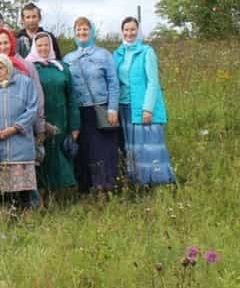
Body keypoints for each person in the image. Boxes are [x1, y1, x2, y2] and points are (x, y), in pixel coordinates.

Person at [112, 17, 176, 187]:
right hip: (124, 107)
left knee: (149, 146)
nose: (129, 33)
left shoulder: (147, 52)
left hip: (142, 107)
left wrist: (148, 109)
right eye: (126, 29)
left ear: (138, 31)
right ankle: (138, 182)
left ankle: (158, 182)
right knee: (132, 147)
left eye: (133, 29)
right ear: (122, 31)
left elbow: (153, 82)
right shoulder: (117, 53)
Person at [65, 16, 119, 193]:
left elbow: (113, 82)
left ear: (91, 32)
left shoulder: (103, 55)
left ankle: (105, 186)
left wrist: (112, 108)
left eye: (85, 29)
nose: (82, 33)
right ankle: (85, 188)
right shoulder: (68, 59)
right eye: (78, 30)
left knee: (103, 150)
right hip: (79, 111)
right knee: (84, 150)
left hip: (100, 109)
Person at [0, 54, 39, 209]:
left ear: (9, 67)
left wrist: (15, 127)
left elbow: (33, 109)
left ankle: (27, 213)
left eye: (2, 68)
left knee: (24, 186)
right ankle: (5, 214)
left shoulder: (25, 83)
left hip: (20, 142)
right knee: (2, 187)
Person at [26, 33, 79, 192]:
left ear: (51, 46)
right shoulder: (29, 67)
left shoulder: (62, 67)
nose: (43, 48)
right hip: (41, 121)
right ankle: (42, 194)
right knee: (42, 157)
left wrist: (75, 125)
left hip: (61, 120)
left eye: (46, 45)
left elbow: (72, 98)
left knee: (61, 156)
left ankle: (61, 196)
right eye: (39, 45)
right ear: (34, 47)